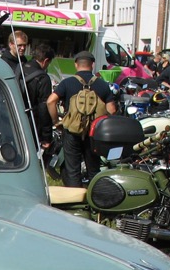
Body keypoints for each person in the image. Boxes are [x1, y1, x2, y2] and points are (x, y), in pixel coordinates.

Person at [45, 50, 117, 187]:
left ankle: (75, 199)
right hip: (94, 133)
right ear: (93, 65)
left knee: (72, 169)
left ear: (76, 65)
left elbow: (50, 101)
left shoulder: (67, 83)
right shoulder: (102, 84)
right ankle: (96, 197)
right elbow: (111, 111)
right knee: (94, 169)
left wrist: (56, 121)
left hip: (72, 131)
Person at [20, 42, 55, 156]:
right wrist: (46, 136)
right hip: (31, 122)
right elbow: (44, 107)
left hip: (13, 118)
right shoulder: (43, 78)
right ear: (45, 61)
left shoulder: (20, 68)